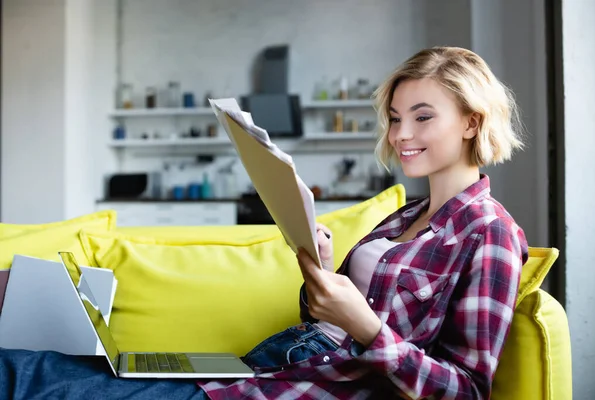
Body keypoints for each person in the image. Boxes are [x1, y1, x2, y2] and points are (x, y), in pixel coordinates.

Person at [0, 46, 528, 399]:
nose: (399, 133)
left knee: (22, 374)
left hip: (312, 387)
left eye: (422, 115)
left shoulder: (490, 233)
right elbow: (328, 316)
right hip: (279, 359)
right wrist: (321, 271)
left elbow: (466, 389)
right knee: (49, 361)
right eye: (394, 117)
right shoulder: (404, 218)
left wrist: (363, 325)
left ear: (472, 121)